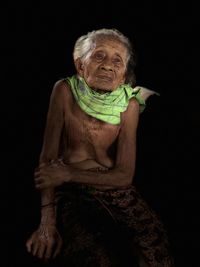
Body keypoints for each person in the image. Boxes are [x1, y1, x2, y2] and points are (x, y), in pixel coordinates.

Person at [26, 28, 174, 267]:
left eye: (117, 60)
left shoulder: (130, 104)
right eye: (99, 56)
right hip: (69, 190)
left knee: (152, 247)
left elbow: (124, 175)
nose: (108, 65)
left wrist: (68, 172)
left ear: (124, 74)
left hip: (109, 184)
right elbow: (47, 161)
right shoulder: (64, 90)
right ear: (80, 65)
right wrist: (47, 223)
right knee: (93, 254)